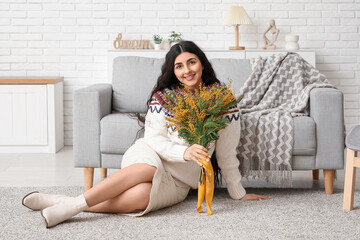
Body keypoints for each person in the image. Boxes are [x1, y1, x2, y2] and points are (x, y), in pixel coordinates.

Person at [22, 41, 270, 228]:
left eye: (191, 62)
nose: (187, 70)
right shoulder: (163, 98)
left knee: (141, 199)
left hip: (180, 180)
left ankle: (61, 201)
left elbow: (227, 153)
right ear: (173, 71)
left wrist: (238, 192)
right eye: (179, 66)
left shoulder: (223, 100)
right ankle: (72, 208)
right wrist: (184, 151)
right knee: (148, 169)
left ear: (202, 63)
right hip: (151, 156)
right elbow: (154, 140)